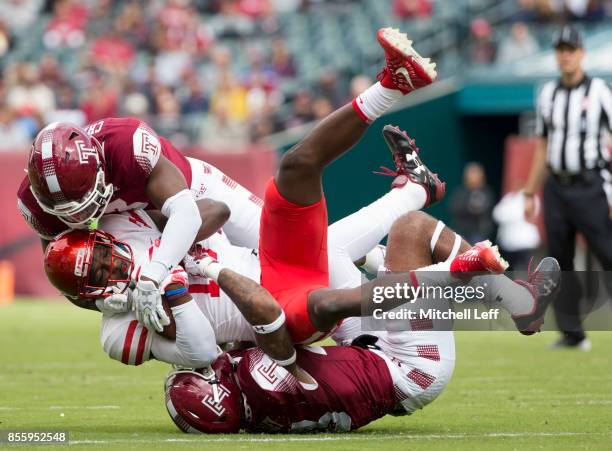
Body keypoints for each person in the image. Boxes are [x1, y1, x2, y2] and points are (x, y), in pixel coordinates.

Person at [523, 25, 612, 350]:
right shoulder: (548, 94)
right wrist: (530, 191)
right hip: (556, 188)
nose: (565, 56)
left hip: (590, 184)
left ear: (581, 53)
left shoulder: (600, 91)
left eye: (570, 49)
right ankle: (572, 333)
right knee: (560, 261)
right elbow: (543, 146)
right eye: (560, 50)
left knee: (607, 252)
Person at [449, 162, 495, 244]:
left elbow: (488, 210)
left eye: (476, 173)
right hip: (461, 232)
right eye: (471, 174)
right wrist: (469, 208)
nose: (474, 177)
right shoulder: (460, 192)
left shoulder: (486, 192)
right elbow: (453, 208)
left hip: (478, 233)